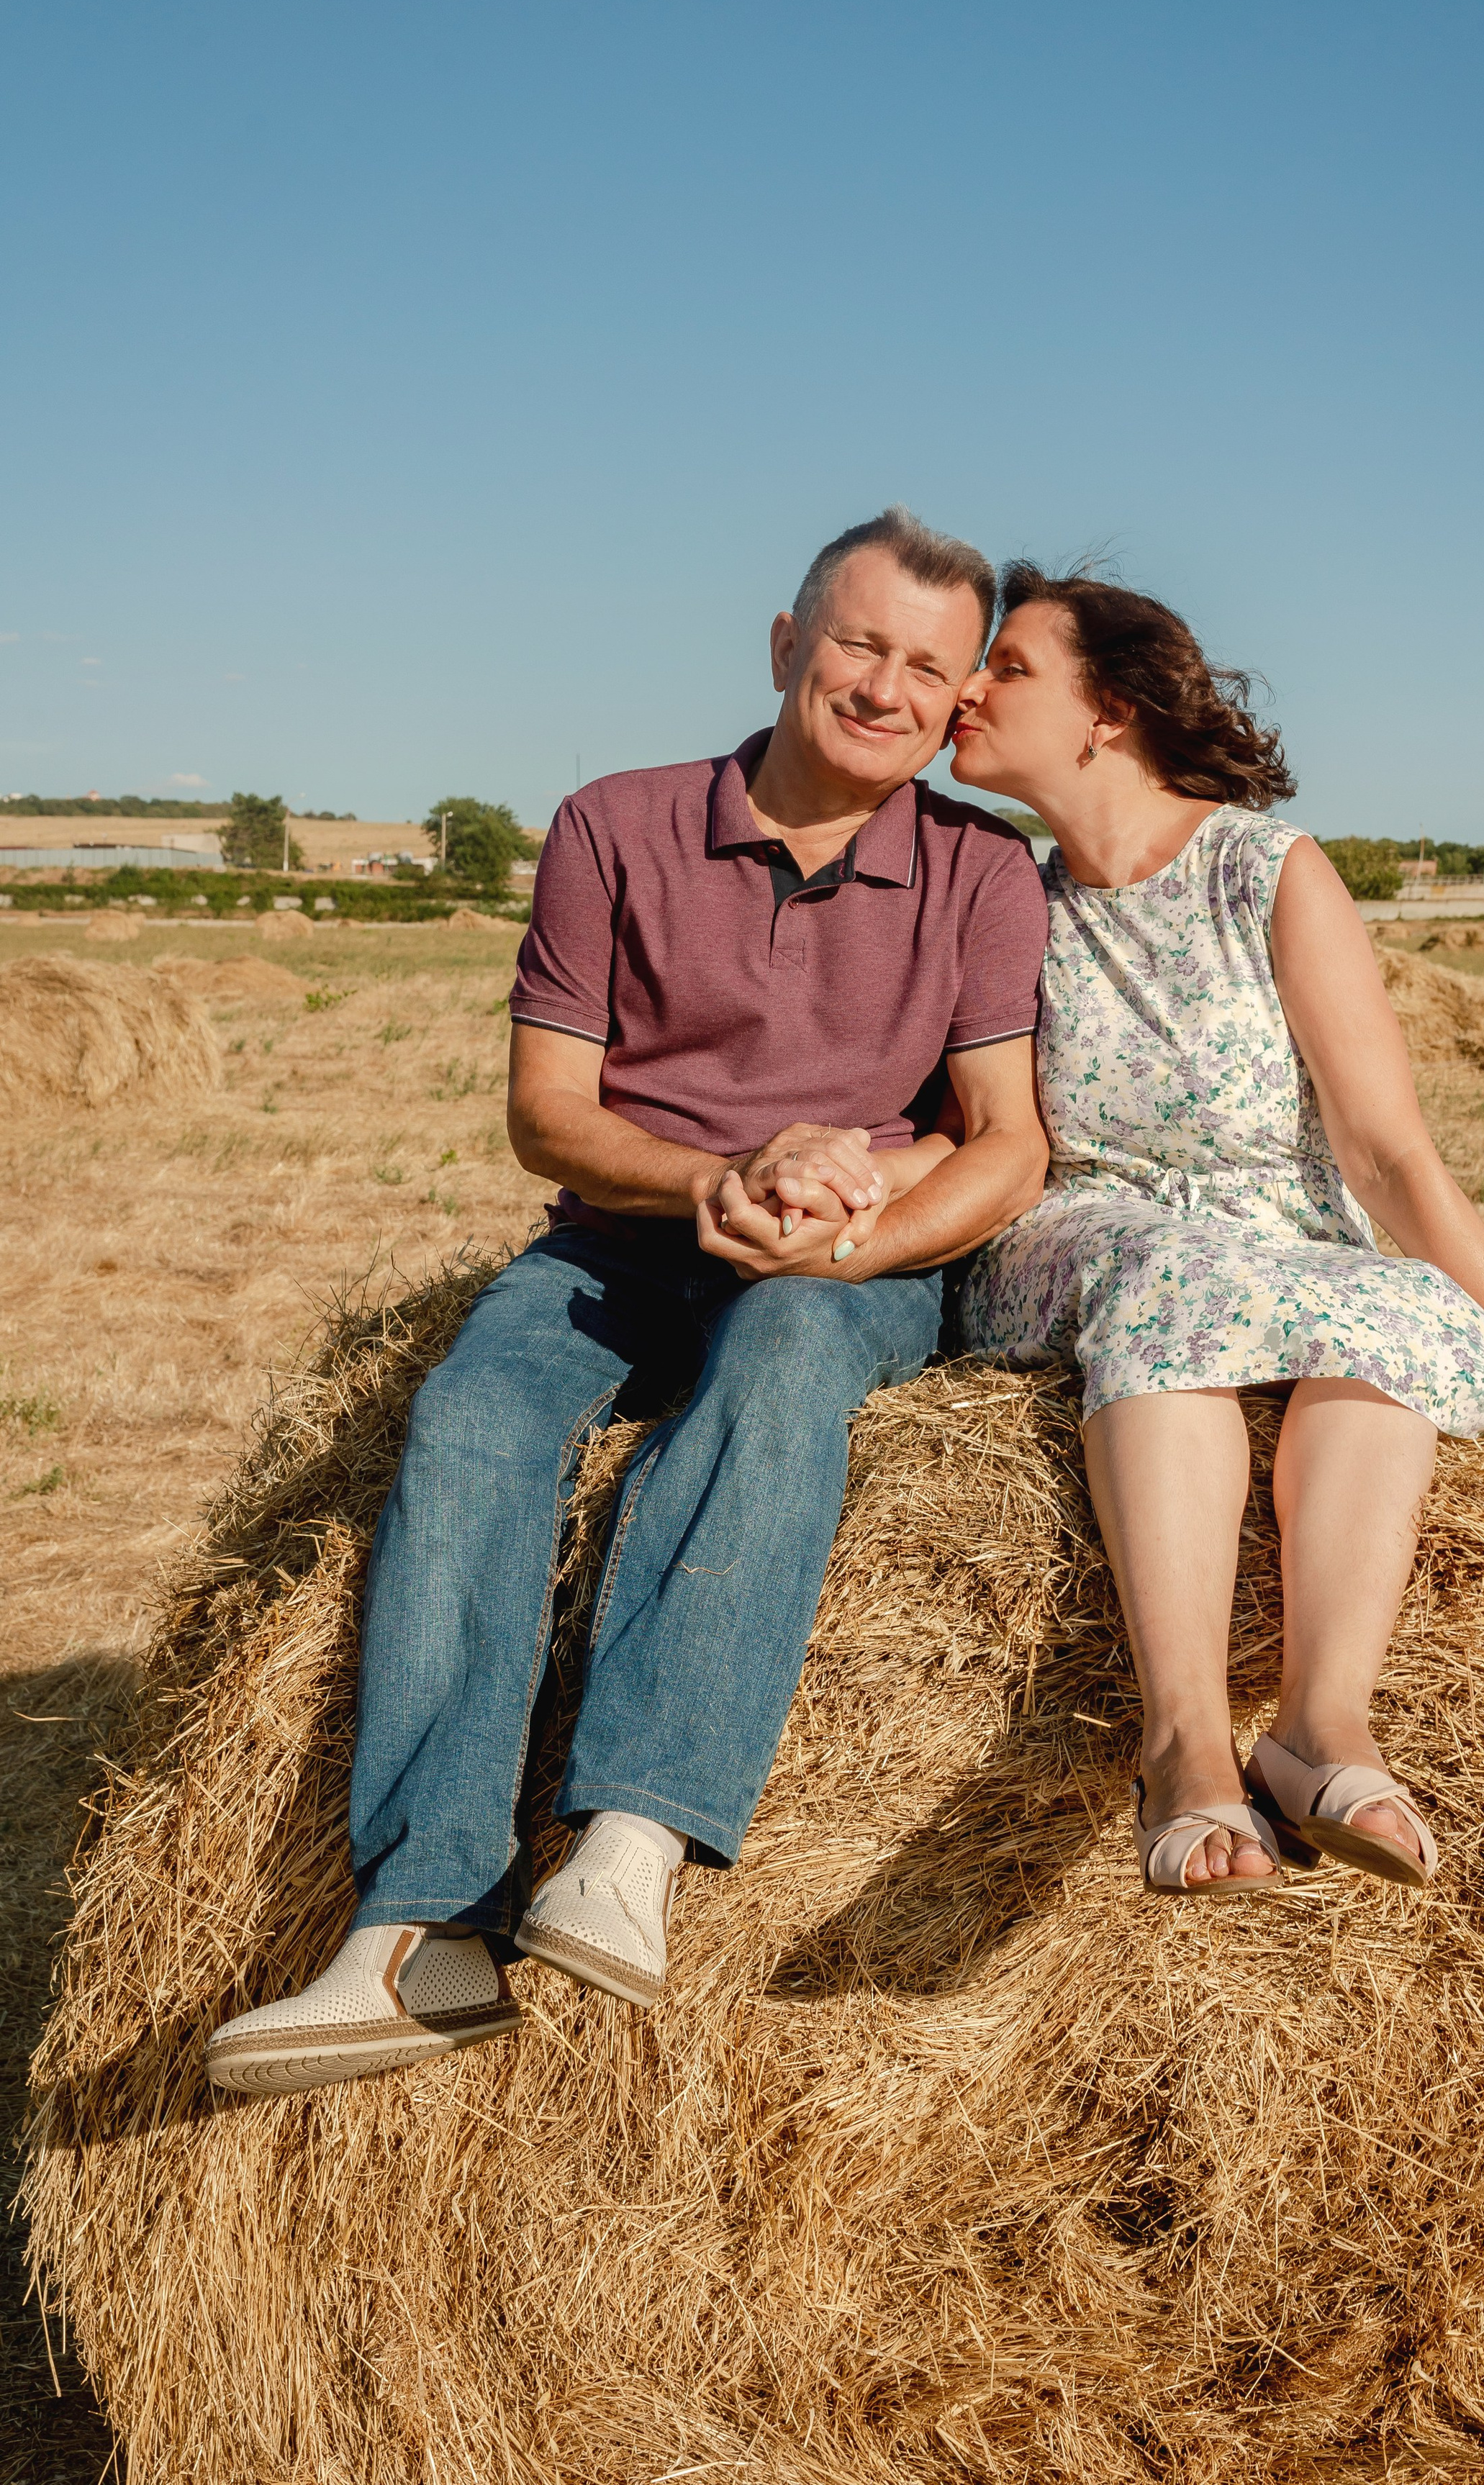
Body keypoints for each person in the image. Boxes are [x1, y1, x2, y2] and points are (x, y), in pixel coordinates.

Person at [206, 509, 1049, 2093]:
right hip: (621, 1240)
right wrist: (712, 1183)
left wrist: (853, 1245)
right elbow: (550, 1116)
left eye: (925, 667)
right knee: (470, 1416)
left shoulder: (982, 871)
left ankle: (631, 1843)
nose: (882, 685)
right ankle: (421, 1929)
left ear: (955, 706)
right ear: (786, 643)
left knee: (790, 1351)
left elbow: (1007, 1142)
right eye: (857, 641)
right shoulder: (616, 825)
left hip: (842, 1261)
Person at [948, 565, 1484, 1904]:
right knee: (1175, 1276)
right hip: (1089, 1236)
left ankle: (1322, 1727)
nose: (965, 689)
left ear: (1107, 710)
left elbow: (1389, 1156)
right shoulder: (1002, 894)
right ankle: (1182, 1746)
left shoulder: (1267, 872)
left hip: (1283, 1237)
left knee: (1390, 1309)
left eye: (1009, 668)